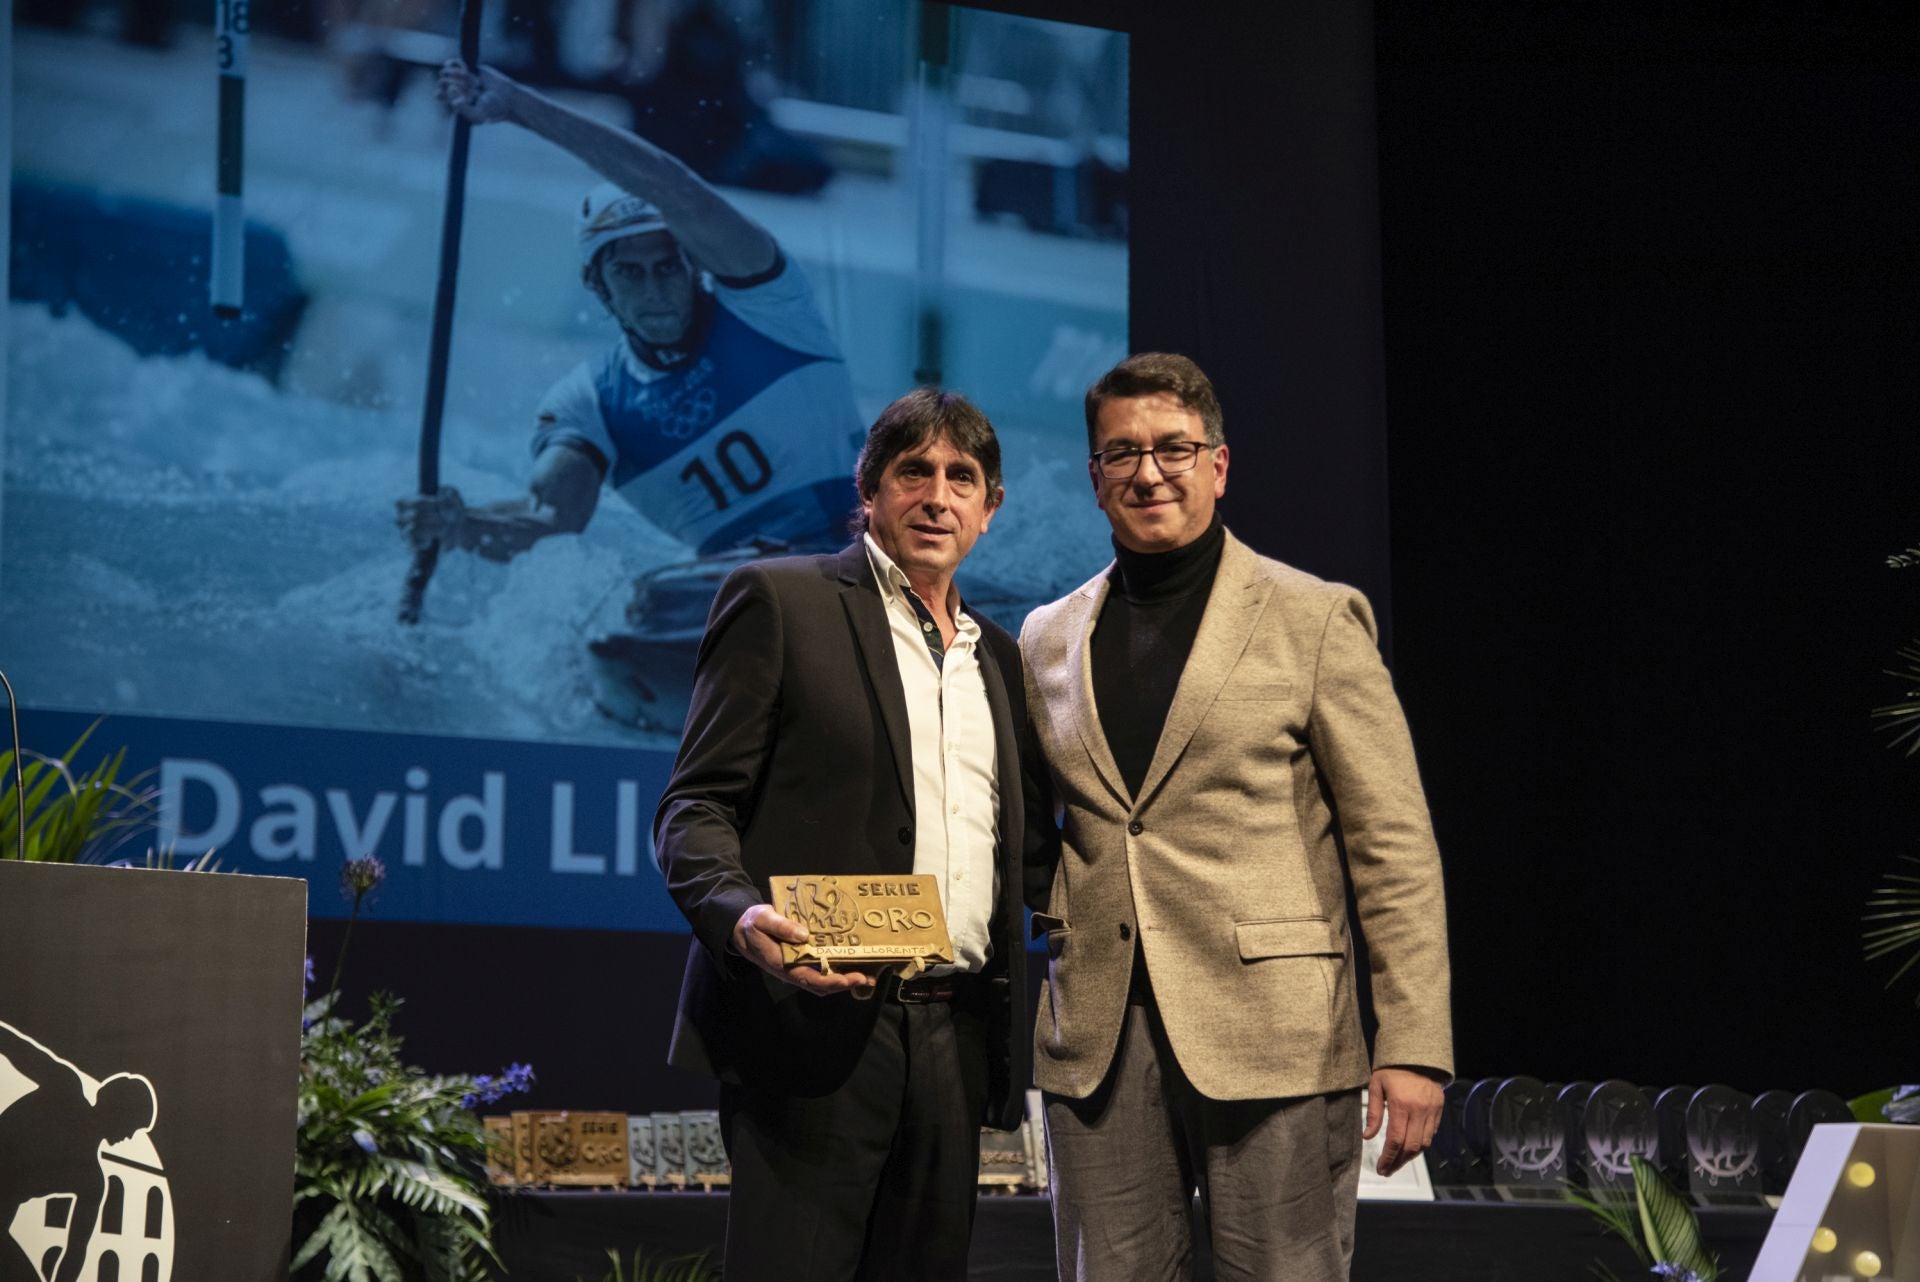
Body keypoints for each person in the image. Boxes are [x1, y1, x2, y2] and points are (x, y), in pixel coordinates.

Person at [1020, 353, 1453, 1280]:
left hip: (1279, 1035)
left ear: (1219, 465)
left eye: (1174, 448)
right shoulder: (1046, 636)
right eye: (1122, 453)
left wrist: (1414, 1044)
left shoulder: (1315, 618)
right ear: (1095, 479)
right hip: (1098, 1035)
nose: (1149, 472)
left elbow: (1394, 846)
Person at [652, 388, 1030, 1280]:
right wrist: (743, 921)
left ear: (989, 508)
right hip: (812, 1029)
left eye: (962, 478)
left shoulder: (1004, 659)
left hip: (955, 1038)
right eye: (914, 472)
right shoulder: (782, 603)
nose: (938, 495)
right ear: (868, 489)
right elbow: (694, 807)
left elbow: (1029, 856)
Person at [398, 61, 860, 566]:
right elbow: (553, 525)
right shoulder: (587, 404)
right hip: (740, 590)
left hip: (864, 551)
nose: (655, 291)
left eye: (666, 268)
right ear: (597, 286)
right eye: (630, 275)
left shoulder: (767, 304)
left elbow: (674, 187)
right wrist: (462, 528)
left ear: (696, 267)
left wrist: (519, 107)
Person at [0, 1023, 157, 1282]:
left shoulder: (91, 1180)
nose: (129, 1136)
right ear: (118, 1108)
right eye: (133, 1125)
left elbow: (75, 1253)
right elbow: (13, 1045)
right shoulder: (65, 1087)